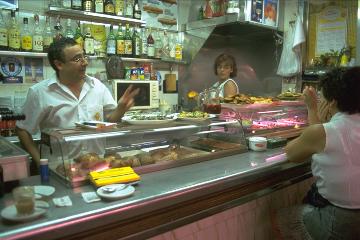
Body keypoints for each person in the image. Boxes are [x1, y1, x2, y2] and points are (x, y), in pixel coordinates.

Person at [16, 38, 139, 169]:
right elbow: (22, 129)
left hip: (97, 165)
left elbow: (109, 120)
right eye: (77, 59)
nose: (85, 62)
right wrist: (41, 163)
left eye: (84, 56)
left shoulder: (97, 86)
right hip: (60, 169)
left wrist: (120, 109)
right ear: (59, 64)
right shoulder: (40, 92)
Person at [272, 67, 360, 239]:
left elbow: (291, 153)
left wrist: (312, 109)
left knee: (280, 219)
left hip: (342, 221)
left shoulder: (326, 131)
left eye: (322, 97)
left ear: (332, 102)